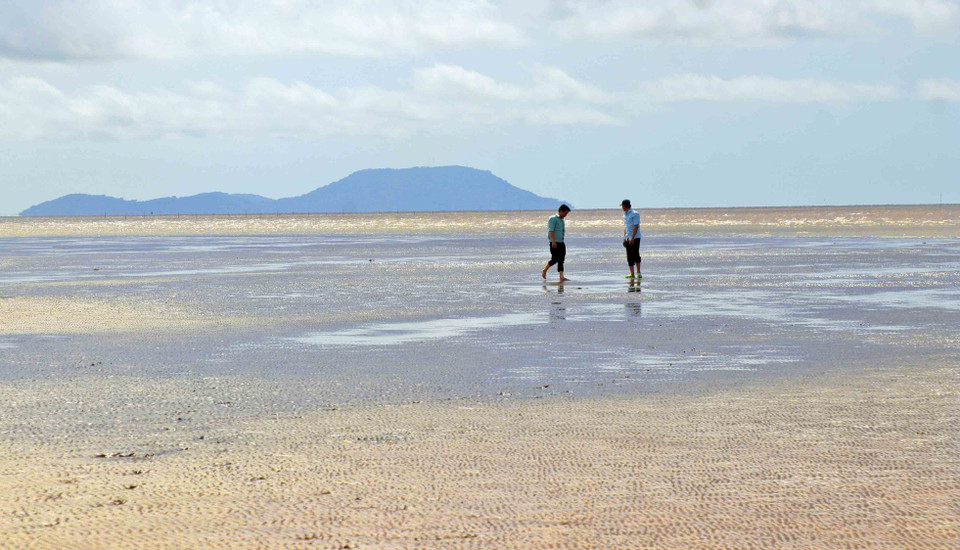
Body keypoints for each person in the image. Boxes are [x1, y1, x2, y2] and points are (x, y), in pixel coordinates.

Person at [541, 204, 571, 281]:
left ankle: (561, 277)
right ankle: (544, 270)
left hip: (561, 242)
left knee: (561, 259)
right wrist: (553, 241)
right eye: (565, 213)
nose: (566, 215)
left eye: (567, 214)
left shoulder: (561, 220)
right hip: (554, 242)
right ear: (560, 211)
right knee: (555, 259)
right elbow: (551, 230)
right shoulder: (553, 218)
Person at [621, 199, 641, 279]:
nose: (622, 208)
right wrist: (624, 238)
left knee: (636, 254)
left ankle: (638, 272)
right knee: (629, 256)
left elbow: (636, 226)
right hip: (628, 237)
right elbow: (626, 227)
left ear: (625, 206)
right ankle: (632, 273)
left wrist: (632, 237)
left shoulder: (635, 214)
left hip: (635, 237)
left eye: (622, 206)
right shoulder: (625, 215)